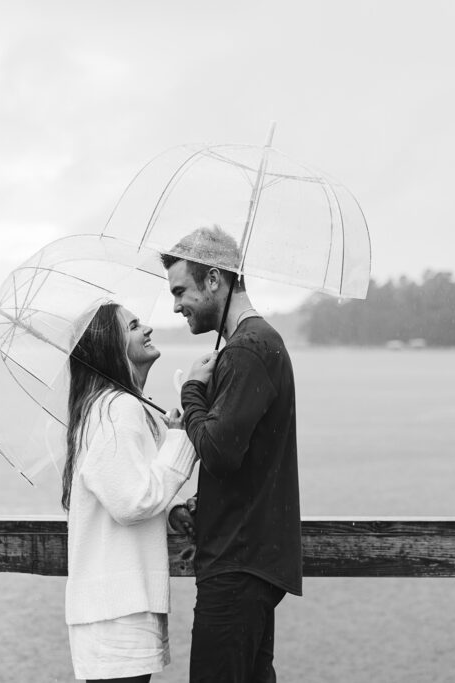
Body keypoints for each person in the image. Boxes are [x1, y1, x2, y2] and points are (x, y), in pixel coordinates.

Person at [161, 226, 302, 683]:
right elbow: (243, 458)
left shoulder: (248, 350)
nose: (176, 305)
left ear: (214, 279)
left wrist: (192, 392)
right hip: (250, 563)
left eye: (180, 290)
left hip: (237, 566)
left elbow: (219, 452)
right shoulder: (255, 347)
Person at [62, 301, 198, 683]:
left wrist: (172, 509)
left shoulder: (108, 407)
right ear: (112, 347)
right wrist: (181, 441)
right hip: (118, 607)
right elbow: (131, 502)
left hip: (115, 605)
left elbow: (126, 485)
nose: (147, 328)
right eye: (134, 326)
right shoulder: (117, 408)